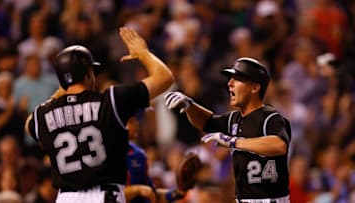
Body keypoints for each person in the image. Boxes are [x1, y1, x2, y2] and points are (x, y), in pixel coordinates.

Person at [24, 27, 174, 203]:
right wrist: (144, 53)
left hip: (66, 198)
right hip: (104, 195)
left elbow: (29, 125)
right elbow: (165, 78)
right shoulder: (111, 100)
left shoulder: (44, 113)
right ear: (89, 73)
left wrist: (60, 93)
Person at [164, 57, 291, 202]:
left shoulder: (271, 117)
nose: (230, 83)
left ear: (255, 88)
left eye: (237, 79)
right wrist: (190, 105)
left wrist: (233, 141)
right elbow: (207, 122)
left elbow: (279, 145)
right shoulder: (234, 119)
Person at [124, 116, 188, 203]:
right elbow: (103, 197)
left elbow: (152, 195)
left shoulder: (139, 154)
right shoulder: (103, 155)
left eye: (136, 120)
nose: (136, 124)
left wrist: (178, 192)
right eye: (131, 122)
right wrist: (137, 190)